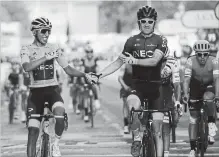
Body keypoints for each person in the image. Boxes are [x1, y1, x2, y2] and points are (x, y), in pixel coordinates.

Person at [92, 6, 168, 157]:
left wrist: (135, 60)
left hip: (156, 87)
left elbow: (154, 61)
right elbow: (117, 63)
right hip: (137, 86)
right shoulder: (132, 41)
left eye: (150, 21)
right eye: (143, 21)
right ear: (139, 22)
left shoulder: (160, 40)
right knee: (132, 107)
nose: (147, 24)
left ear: (154, 22)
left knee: (158, 131)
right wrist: (99, 75)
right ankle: (137, 138)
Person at [20, 17, 93, 157]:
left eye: (49, 31)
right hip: (35, 94)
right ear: (35, 32)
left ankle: (55, 144)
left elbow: (68, 69)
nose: (47, 34)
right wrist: (45, 58)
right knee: (33, 131)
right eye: (44, 31)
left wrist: (85, 74)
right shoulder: (26, 49)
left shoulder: (54, 48)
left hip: (52, 90)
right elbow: (27, 67)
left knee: (59, 114)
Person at [182, 40, 219, 157]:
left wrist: (217, 95)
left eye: (205, 54)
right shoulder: (190, 61)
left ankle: (211, 122)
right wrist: (185, 94)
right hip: (195, 86)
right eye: (199, 54)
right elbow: (186, 80)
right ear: (195, 54)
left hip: (209, 85)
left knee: (208, 98)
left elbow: (217, 79)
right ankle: (192, 148)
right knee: (193, 119)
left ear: (208, 54)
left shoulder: (214, 61)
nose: (202, 57)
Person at [161, 49, 182, 157]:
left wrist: (177, 101)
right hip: (152, 88)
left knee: (167, 124)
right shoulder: (148, 61)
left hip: (167, 89)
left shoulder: (172, 62)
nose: (161, 63)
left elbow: (177, 85)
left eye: (164, 60)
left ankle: (165, 153)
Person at [81, 45, 101, 113]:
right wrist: (82, 82)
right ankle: (86, 113)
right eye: (87, 52)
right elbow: (82, 71)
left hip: (93, 78)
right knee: (85, 96)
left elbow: (98, 70)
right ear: (86, 53)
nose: (89, 53)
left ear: (92, 52)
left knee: (94, 86)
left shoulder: (95, 59)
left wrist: (98, 80)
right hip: (85, 78)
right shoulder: (83, 60)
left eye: (91, 52)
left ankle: (96, 99)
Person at [118, 64, 132, 134]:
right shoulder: (124, 65)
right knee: (126, 104)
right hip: (126, 86)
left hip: (136, 86)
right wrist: (125, 86)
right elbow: (120, 78)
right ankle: (126, 124)